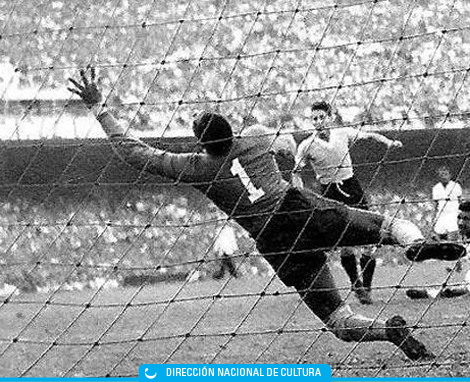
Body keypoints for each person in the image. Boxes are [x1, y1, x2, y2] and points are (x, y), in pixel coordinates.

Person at [68, 69, 466, 361]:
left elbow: (135, 152)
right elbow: (289, 144)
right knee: (384, 226)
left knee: (339, 321)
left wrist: (99, 107)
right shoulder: (256, 135)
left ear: (201, 143)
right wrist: (280, 150)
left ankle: (389, 331)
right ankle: (415, 243)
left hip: (275, 242)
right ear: (231, 129)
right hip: (298, 208)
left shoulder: (197, 167)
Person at [293, 101, 403, 305]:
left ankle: (366, 287)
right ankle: (357, 284)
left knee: (371, 235)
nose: (318, 121)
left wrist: (388, 142)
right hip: (329, 192)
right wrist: (299, 191)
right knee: (345, 243)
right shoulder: (307, 145)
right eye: (314, 118)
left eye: (321, 117)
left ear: (330, 117)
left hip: (352, 187)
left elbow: (369, 135)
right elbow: (296, 172)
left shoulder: (342, 133)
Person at [406, 201, 470, 300]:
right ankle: (450, 292)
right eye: (459, 218)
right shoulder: (463, 237)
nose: (461, 223)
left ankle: (453, 292)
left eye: (466, 219)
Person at [432, 165, 462, 241]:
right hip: (441, 216)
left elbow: (460, 200)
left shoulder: (456, 186)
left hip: (453, 215)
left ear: (450, 175)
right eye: (441, 175)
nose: (444, 177)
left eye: (446, 174)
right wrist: (433, 220)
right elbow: (435, 205)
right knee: (438, 239)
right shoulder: (436, 188)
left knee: (452, 238)